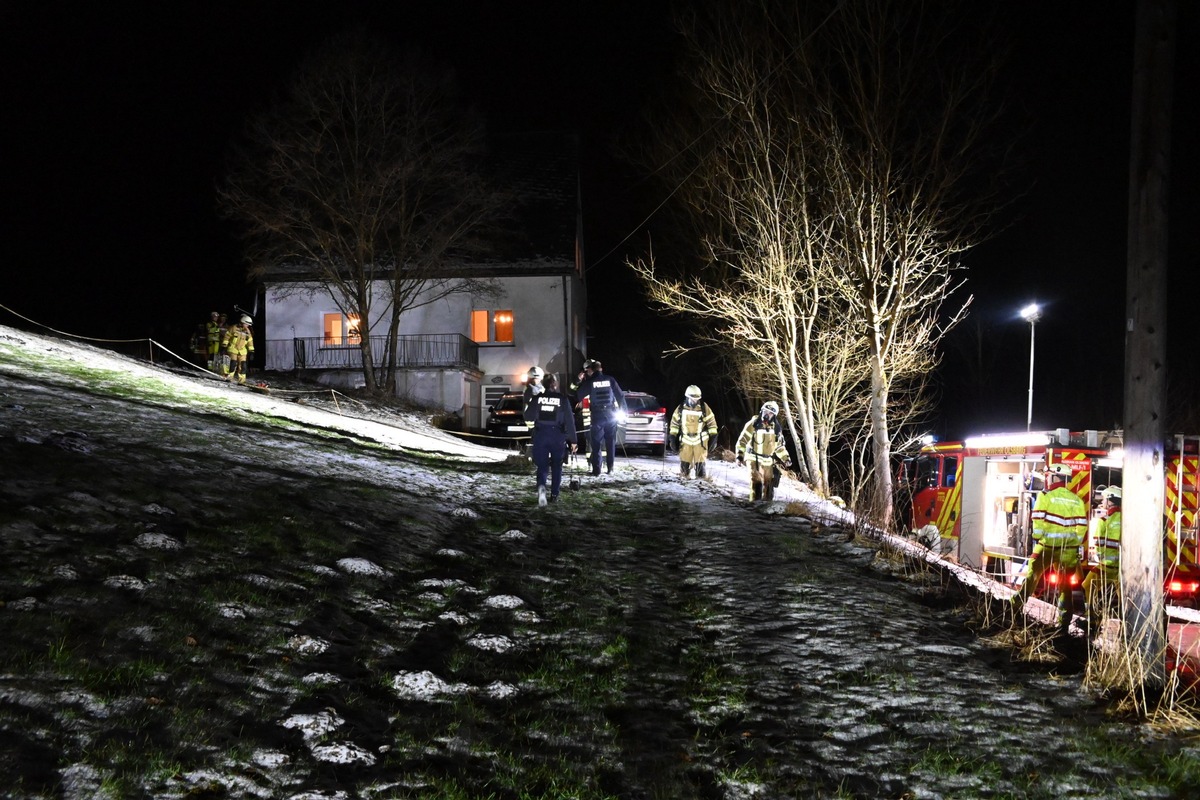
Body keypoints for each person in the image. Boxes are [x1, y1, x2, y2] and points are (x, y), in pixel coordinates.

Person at [1013, 462, 1089, 623]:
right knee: (1065, 586)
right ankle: (1064, 621)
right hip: (1068, 550)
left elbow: (1038, 518)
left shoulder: (1046, 495)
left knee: (1033, 576)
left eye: (1047, 476)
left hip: (1047, 546)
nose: (1046, 479)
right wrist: (1073, 542)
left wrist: (1037, 536)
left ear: (1054, 476)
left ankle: (1014, 606)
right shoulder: (1077, 500)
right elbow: (1082, 526)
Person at [522, 372, 578, 506]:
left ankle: (542, 488)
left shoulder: (537, 398)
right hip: (557, 437)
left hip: (540, 436)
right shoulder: (562, 399)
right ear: (555, 384)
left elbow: (528, 416)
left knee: (542, 466)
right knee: (557, 466)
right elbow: (570, 422)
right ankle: (554, 494)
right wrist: (574, 441)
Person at [574, 359, 625, 476]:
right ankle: (610, 468)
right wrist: (622, 411)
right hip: (611, 414)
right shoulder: (610, 379)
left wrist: (579, 381)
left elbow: (577, 395)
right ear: (601, 368)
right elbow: (620, 396)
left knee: (596, 443)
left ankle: (596, 470)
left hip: (597, 416)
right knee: (610, 442)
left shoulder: (591, 381)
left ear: (591, 370)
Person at [735, 401, 791, 501]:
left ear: (774, 416)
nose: (767, 415)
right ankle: (754, 506)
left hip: (768, 461)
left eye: (770, 413)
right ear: (762, 411)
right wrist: (739, 455)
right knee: (757, 482)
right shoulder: (753, 424)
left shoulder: (776, 429)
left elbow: (779, 447)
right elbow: (742, 440)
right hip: (753, 458)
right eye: (765, 411)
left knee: (769, 486)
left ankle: (766, 508)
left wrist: (786, 458)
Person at [1083, 485, 1122, 622]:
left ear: (1110, 501)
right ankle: (1126, 621)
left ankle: (1092, 618)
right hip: (1121, 568)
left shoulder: (1104, 520)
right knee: (1123, 595)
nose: (1102, 502)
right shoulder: (1125, 520)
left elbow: (1098, 542)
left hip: (1105, 566)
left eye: (1104, 499)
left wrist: (1098, 557)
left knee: (1087, 586)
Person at [669, 384, 718, 479]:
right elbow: (674, 424)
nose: (694, 401)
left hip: (700, 441)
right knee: (684, 465)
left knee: (700, 465)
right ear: (687, 397)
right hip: (685, 440)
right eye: (692, 398)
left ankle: (700, 484)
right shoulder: (680, 409)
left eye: (697, 399)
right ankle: (684, 483)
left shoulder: (704, 407)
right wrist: (672, 437)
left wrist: (713, 437)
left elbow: (712, 423)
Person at [221, 314, 255, 385]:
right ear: (242, 322)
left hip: (242, 351)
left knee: (243, 366)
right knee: (232, 364)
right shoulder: (233, 328)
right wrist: (224, 346)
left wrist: (251, 351)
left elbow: (250, 341)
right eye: (247, 324)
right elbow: (227, 337)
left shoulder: (248, 332)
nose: (248, 326)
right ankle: (229, 377)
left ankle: (242, 380)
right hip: (233, 349)